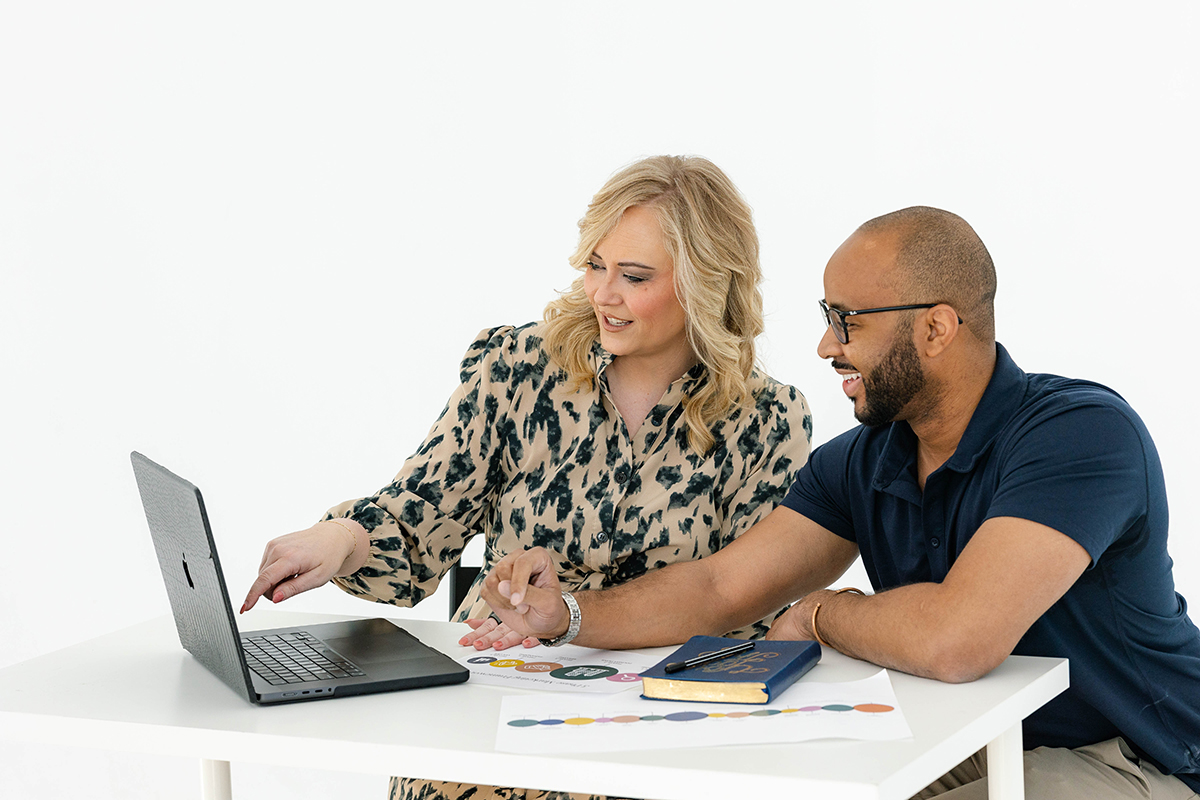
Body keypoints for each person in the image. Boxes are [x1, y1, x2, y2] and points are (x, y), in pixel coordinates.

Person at [481, 206, 1200, 799]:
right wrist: (569, 613)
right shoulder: (866, 459)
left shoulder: (1079, 435)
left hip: (1136, 753)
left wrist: (822, 613)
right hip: (977, 734)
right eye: (828, 316)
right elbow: (720, 585)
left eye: (848, 320)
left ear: (936, 328)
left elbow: (957, 640)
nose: (827, 344)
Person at [240, 155, 814, 800]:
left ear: (707, 283)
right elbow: (420, 518)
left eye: (634, 276)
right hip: (500, 689)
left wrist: (581, 615)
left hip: (657, 712)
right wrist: (341, 538)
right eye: (596, 266)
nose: (603, 294)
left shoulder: (766, 419)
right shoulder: (516, 368)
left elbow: (745, 603)